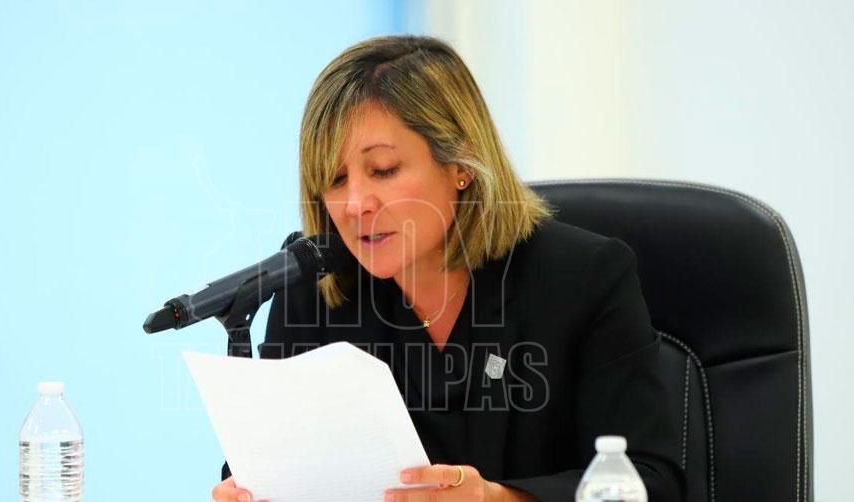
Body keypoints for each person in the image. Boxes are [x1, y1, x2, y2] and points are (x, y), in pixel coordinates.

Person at [212, 35, 684, 502]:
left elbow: (651, 483)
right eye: (334, 179)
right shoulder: (312, 285)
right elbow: (274, 467)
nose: (355, 204)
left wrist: (496, 499)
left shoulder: (583, 277)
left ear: (460, 163)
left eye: (383, 170)